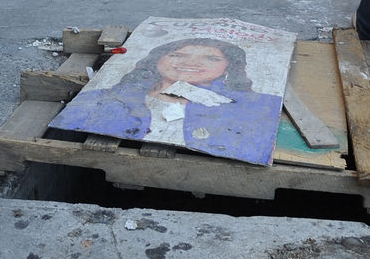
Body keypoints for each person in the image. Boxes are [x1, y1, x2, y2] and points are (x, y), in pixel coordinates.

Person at [48, 37, 283, 165]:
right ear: (156, 60)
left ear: (229, 67)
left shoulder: (260, 105)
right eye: (177, 55)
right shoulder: (99, 98)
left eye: (211, 58)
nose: (191, 63)